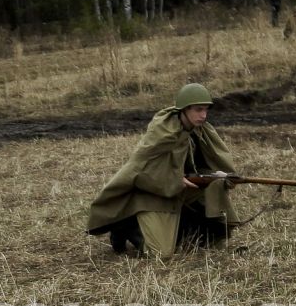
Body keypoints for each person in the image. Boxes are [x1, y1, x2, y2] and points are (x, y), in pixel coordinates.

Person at [86, 83, 243, 259]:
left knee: (213, 192)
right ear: (184, 109)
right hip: (151, 193)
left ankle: (197, 229)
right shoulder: (163, 132)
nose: (204, 115)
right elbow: (141, 169)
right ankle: (126, 226)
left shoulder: (202, 131)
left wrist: (219, 176)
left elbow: (208, 162)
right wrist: (174, 179)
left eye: (206, 110)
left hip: (180, 190)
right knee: (161, 254)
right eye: (198, 110)